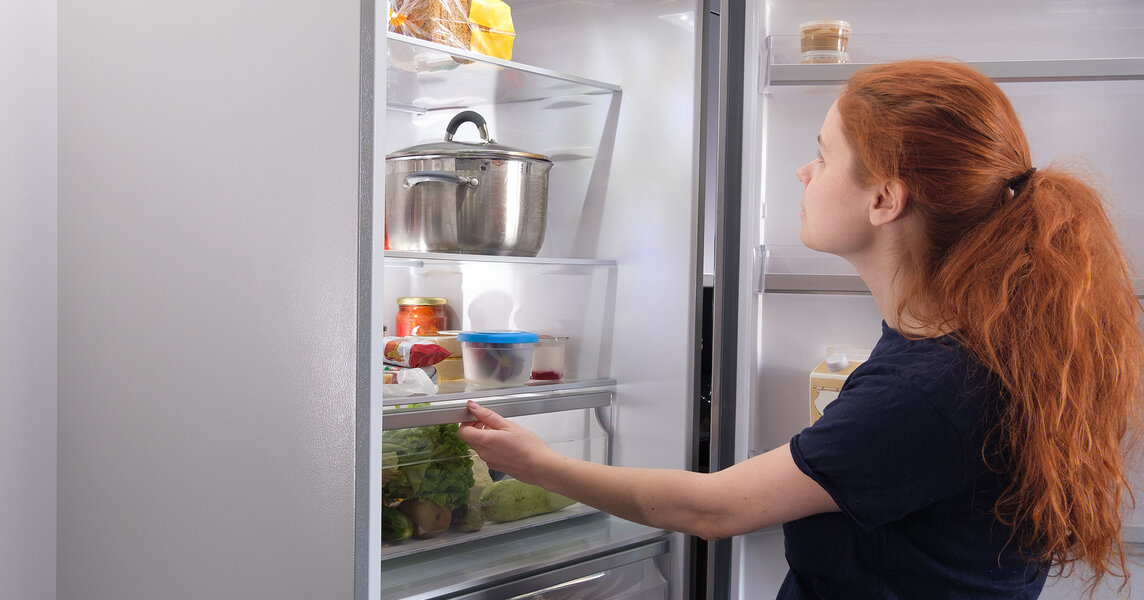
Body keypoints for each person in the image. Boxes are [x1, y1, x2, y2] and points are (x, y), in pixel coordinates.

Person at [457, 59, 1143, 599]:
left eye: (823, 154)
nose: (803, 171)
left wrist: (538, 463)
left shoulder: (930, 391)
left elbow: (712, 511)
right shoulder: (950, 341)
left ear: (885, 198)